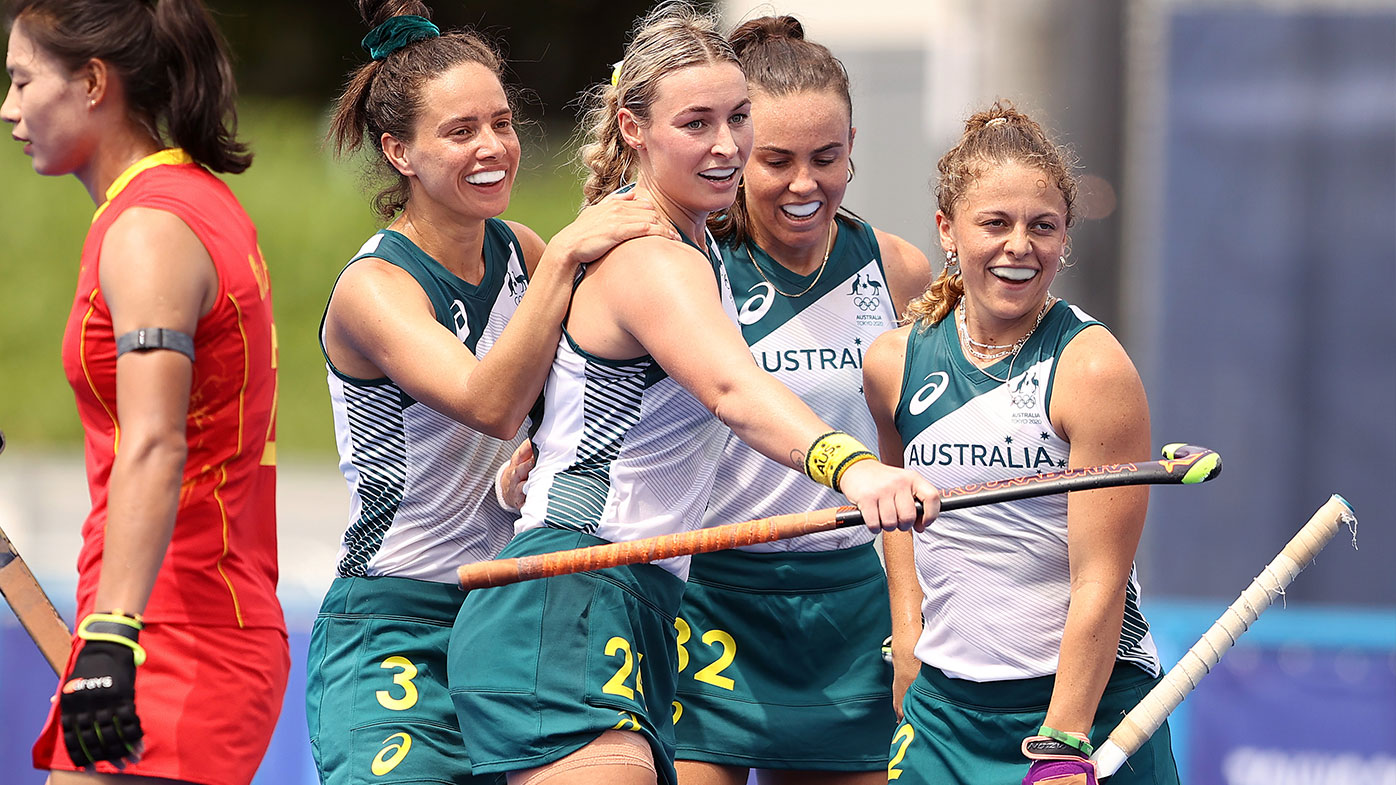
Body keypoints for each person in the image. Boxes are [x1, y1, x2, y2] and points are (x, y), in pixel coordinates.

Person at [447, 4, 939, 785]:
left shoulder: (691, 241)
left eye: (737, 118)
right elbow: (732, 387)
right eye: (697, 122)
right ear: (634, 127)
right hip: (575, 590)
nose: (725, 145)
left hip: (630, 593)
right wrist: (855, 469)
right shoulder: (656, 256)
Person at [304, 3, 677, 785]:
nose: (493, 148)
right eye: (461, 131)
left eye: (501, 123)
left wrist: (523, 471)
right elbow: (489, 402)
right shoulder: (376, 288)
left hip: (507, 612)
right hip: (391, 620)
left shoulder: (523, 254)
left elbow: (563, 415)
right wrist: (573, 249)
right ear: (398, 150)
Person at [2, 1, 287, 783]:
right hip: (156, 621)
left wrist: (111, 637)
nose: (9, 108)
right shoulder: (176, 206)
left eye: (22, 82)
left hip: (171, 633)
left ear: (94, 82)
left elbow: (157, 444)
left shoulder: (150, 229)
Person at [864, 102, 1181, 785]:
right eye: (995, 223)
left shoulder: (1093, 368)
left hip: (1085, 712)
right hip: (944, 716)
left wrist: (1064, 738)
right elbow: (891, 503)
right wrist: (909, 631)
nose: (1020, 246)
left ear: (1065, 238)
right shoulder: (892, 362)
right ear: (948, 231)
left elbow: (1101, 576)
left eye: (1043, 226)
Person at [671, 16, 932, 785]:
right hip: (712, 600)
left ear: (854, 141)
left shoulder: (897, 269)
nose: (803, 185)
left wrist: (911, 615)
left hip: (849, 611)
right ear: (739, 146)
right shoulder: (689, 264)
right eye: (776, 160)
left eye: (827, 158)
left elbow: (913, 453)